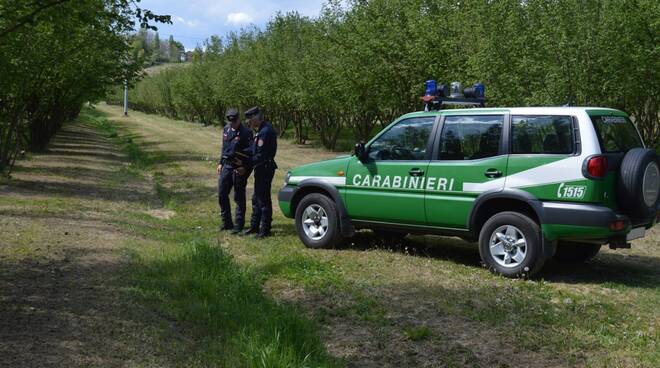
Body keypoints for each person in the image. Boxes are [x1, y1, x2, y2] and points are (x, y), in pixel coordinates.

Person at [242, 106, 277, 238]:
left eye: (250, 121)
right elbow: (254, 149)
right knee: (256, 198)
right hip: (261, 168)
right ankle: (254, 226)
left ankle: (265, 229)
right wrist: (240, 153)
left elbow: (260, 156)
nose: (249, 124)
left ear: (256, 118)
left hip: (265, 168)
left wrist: (245, 164)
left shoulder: (265, 132)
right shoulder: (261, 130)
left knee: (263, 200)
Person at [217, 107, 253, 234]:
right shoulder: (226, 129)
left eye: (234, 121)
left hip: (239, 168)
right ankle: (226, 222)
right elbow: (224, 148)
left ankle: (238, 224)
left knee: (238, 196)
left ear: (238, 119)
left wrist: (245, 167)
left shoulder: (246, 133)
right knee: (222, 193)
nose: (232, 124)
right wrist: (220, 163)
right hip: (227, 166)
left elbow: (251, 154)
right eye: (230, 121)